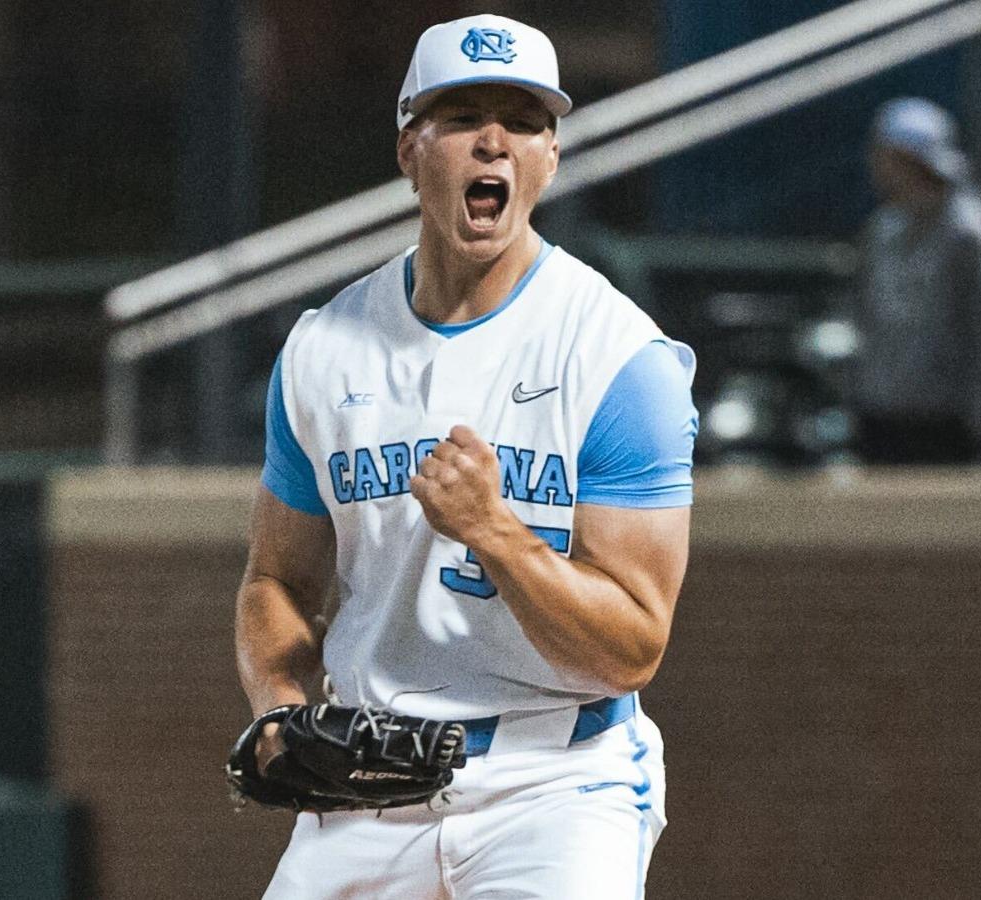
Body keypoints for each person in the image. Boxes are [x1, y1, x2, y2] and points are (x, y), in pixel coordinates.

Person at [233, 13, 698, 899]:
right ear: (411, 148)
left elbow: (633, 648)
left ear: (550, 158)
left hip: (556, 780)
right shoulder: (324, 350)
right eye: (462, 115)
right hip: (368, 777)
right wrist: (284, 709)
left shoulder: (615, 359)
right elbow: (276, 583)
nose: (494, 140)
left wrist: (495, 530)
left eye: (523, 120)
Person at [850, 97, 981, 464]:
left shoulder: (972, 234)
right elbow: (868, 318)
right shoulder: (882, 230)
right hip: (882, 418)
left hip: (947, 426)